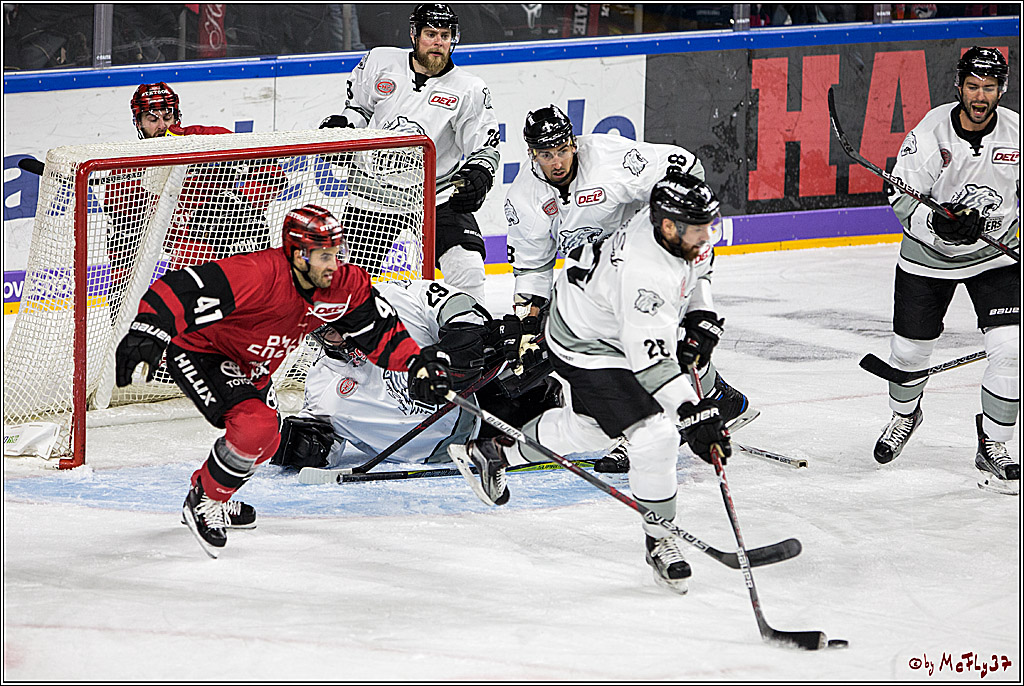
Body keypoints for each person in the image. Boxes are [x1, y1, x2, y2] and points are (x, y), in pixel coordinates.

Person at [448, 172, 734, 594]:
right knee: (654, 433)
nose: (707, 236)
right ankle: (661, 539)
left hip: (602, 317)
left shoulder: (675, 229)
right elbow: (651, 365)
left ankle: (495, 450)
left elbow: (698, 272)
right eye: (698, 229)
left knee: (592, 427)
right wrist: (691, 414)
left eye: (709, 225)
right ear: (668, 226)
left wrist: (700, 314)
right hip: (588, 342)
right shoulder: (643, 273)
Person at [113, 204, 453, 557]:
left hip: (255, 367)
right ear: (298, 255)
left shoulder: (342, 285)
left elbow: (380, 332)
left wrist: (417, 363)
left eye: (337, 253)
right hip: (204, 353)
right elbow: (181, 287)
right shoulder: (257, 275)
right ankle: (205, 500)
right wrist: (148, 330)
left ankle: (213, 487)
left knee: (270, 441)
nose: (333, 264)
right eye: (324, 255)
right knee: (254, 427)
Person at [505, 104, 755, 472]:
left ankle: (648, 428)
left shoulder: (609, 158)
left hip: (637, 265)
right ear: (532, 154)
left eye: (562, 150)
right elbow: (533, 264)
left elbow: (684, 166)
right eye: (546, 154)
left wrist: (660, 233)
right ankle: (717, 397)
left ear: (573, 144)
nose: (556, 161)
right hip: (594, 282)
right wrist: (528, 322)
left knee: (648, 344)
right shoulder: (524, 197)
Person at [873, 47, 1019, 495]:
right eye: (973, 87)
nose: (980, 96)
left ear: (1002, 89)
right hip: (926, 259)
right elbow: (899, 198)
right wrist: (938, 223)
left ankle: (993, 442)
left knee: (1011, 352)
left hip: (996, 257)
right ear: (959, 87)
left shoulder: (1016, 135)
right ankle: (904, 416)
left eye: (989, 88)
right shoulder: (931, 132)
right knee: (909, 357)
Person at [319, 3, 500, 306]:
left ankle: (471, 337)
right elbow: (359, 109)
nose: (438, 42)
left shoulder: (469, 89)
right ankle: (340, 346)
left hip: (436, 198)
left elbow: (484, 146)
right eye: (430, 34)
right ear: (414, 34)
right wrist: (345, 128)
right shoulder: (379, 62)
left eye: (445, 35)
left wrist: (479, 174)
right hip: (373, 196)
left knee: (467, 269)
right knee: (344, 282)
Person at [273, 279, 556, 470]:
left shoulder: (397, 299)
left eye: (348, 322)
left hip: (482, 398)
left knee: (515, 343)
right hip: (445, 453)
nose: (347, 336)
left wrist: (455, 349)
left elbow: (458, 307)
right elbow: (324, 445)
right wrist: (303, 447)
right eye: (333, 332)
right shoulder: (321, 384)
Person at [103, 82, 287, 316]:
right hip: (187, 261)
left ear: (177, 117)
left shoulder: (206, 139)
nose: (162, 126)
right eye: (152, 119)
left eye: (168, 117)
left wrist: (238, 203)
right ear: (138, 123)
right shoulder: (125, 173)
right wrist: (122, 303)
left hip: (238, 247)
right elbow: (122, 250)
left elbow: (273, 176)